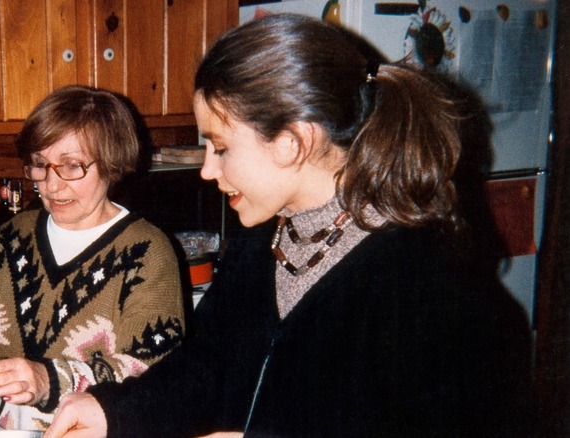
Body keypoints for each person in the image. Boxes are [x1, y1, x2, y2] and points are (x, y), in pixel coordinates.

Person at [45, 14, 533, 438]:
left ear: (293, 142)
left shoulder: (430, 282)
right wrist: (114, 410)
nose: (208, 170)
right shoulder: (263, 237)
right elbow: (207, 367)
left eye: (221, 146)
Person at [0, 85, 185, 431]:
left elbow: (153, 375)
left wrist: (48, 380)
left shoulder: (147, 252)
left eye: (72, 167)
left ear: (111, 164)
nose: (51, 185)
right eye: (40, 166)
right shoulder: (17, 233)